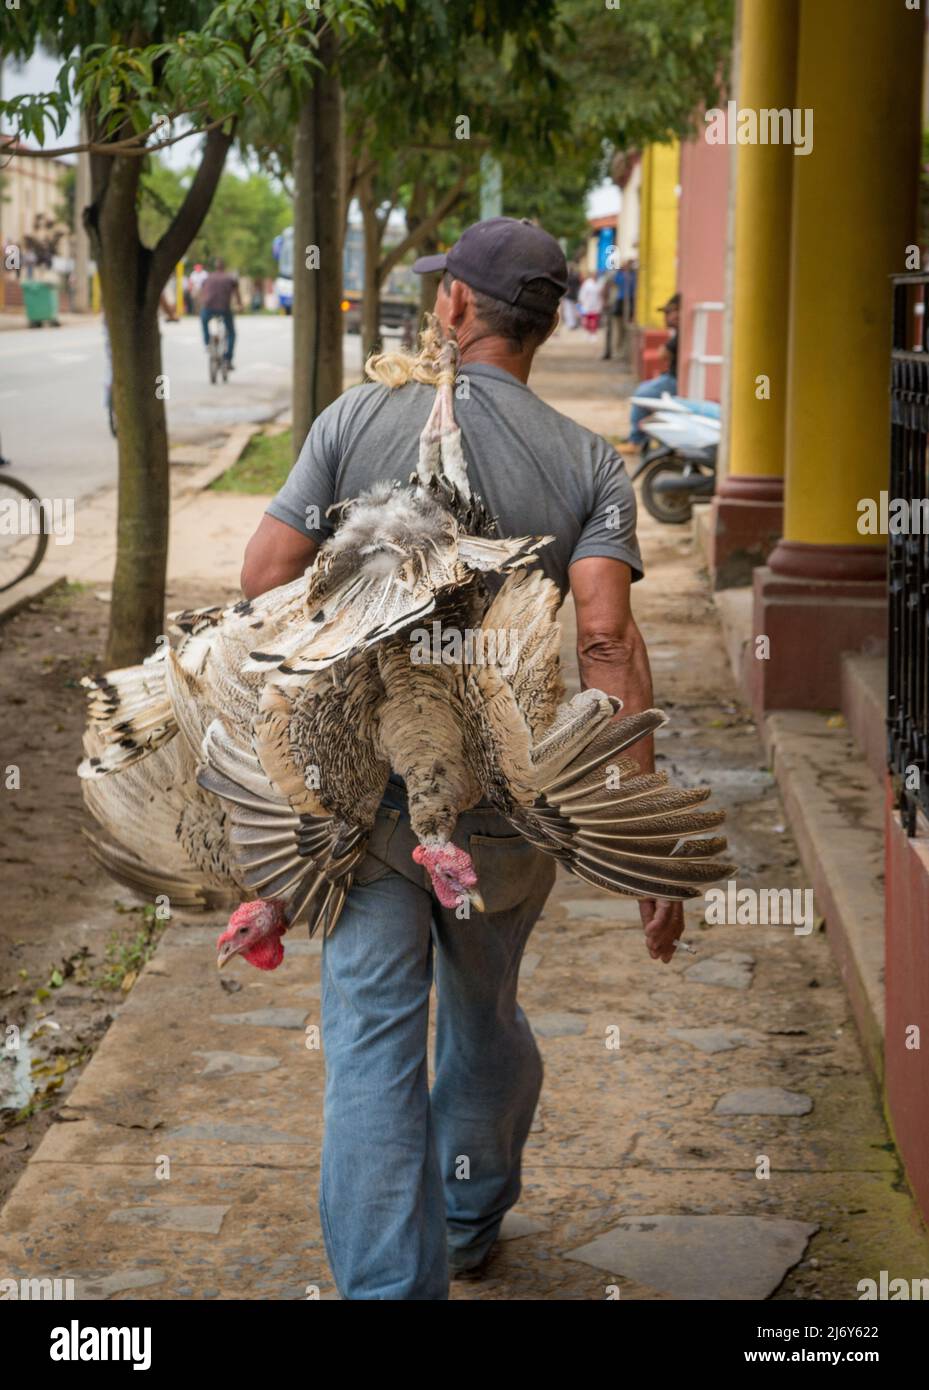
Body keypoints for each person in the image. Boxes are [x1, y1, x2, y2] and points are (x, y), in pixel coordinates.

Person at [240, 215, 684, 1301]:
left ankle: (393, 1290)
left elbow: (261, 578)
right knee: (483, 1010)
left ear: (452, 308)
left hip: (358, 804)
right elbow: (603, 639)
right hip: (514, 801)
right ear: (542, 327)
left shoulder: (355, 417)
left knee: (370, 1040)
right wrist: (643, 839)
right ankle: (469, 1209)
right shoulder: (590, 464)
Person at [622, 292, 680, 451]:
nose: (666, 318)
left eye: (669, 313)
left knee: (641, 395)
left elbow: (663, 354)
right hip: (671, 377)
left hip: (675, 379)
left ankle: (635, 441)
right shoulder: (678, 332)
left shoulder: (681, 333)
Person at [199, 257, 241, 369]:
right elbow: (237, 293)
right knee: (231, 333)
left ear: (215, 267)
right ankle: (228, 359)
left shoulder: (208, 278)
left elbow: (202, 292)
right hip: (224, 309)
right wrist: (240, 305)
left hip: (208, 308)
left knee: (203, 321)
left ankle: (207, 342)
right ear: (224, 267)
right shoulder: (230, 278)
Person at [561, 261, 581, 330]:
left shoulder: (567, 277)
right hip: (575, 295)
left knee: (568, 310)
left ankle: (571, 324)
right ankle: (574, 323)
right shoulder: (576, 277)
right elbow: (578, 286)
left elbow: (565, 286)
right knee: (574, 310)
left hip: (568, 295)